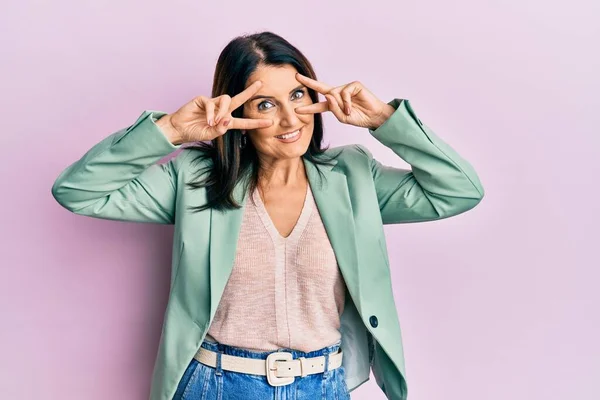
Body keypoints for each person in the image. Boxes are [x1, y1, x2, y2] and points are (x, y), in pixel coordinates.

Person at [51, 31, 484, 400]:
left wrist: (386, 121)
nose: (290, 118)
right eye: (265, 105)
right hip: (216, 383)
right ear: (237, 113)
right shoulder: (195, 179)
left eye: (297, 95)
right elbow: (78, 191)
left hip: (323, 384)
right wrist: (171, 131)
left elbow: (459, 190)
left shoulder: (352, 176)